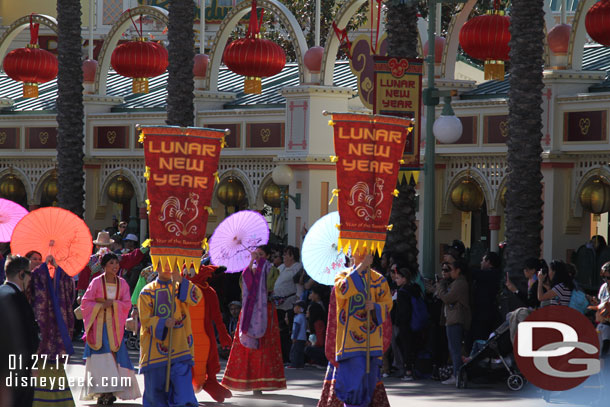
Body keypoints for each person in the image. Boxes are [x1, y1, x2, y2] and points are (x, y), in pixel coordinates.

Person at [222, 245, 286, 394]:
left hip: (266, 311)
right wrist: (250, 268)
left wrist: (259, 272)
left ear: (268, 256)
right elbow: (243, 288)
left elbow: (270, 287)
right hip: (249, 312)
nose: (257, 257)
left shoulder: (272, 270)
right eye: (255, 254)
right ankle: (247, 380)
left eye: (261, 254)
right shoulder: (248, 270)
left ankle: (261, 382)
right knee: (247, 347)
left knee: (264, 347)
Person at [137, 262, 202, 407]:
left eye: (172, 264)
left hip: (180, 344)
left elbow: (196, 297)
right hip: (155, 348)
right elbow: (145, 319)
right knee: (155, 390)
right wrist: (163, 323)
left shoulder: (180, 288)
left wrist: (181, 280)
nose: (168, 267)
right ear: (156, 267)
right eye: (164, 264)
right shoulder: (147, 291)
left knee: (183, 386)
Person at [333, 250, 393, 407]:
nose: (363, 254)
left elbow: (388, 305)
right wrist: (360, 268)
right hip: (349, 342)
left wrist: (375, 307)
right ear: (351, 254)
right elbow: (343, 290)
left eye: (367, 252)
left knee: (369, 380)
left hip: (372, 340)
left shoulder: (378, 279)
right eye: (358, 251)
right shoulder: (342, 276)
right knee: (353, 381)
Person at [80, 253, 141, 404]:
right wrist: (101, 305)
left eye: (116, 263)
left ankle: (110, 391)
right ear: (104, 266)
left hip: (115, 327)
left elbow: (126, 303)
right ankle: (103, 392)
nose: (115, 266)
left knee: (114, 357)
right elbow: (85, 302)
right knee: (102, 358)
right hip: (98, 327)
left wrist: (113, 304)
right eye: (111, 263)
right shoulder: (96, 282)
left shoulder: (123, 284)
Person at [27, 256, 76, 407]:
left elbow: (69, 291)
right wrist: (41, 269)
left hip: (55, 331)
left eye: (38, 258)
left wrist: (57, 269)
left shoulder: (53, 276)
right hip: (38, 329)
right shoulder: (31, 277)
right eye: (33, 258)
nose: (37, 261)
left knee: (56, 369)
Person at [0, 255, 40, 407]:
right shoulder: (17, 298)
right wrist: (32, 365)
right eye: (30, 273)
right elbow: (27, 336)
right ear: (22, 274)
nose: (31, 278)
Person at [77, 231, 146, 301]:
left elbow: (130, 258)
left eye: (106, 245)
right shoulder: (90, 260)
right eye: (101, 245)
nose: (104, 248)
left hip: (113, 292)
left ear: (110, 246)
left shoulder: (116, 258)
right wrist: (80, 294)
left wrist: (143, 249)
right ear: (97, 246)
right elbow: (84, 278)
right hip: (94, 293)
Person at [435, 258, 471, 385]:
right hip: (452, 318)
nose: (449, 273)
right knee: (454, 349)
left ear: (458, 270)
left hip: (456, 319)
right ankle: (457, 374)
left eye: (451, 270)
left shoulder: (460, 283)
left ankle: (457, 375)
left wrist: (440, 287)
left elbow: (447, 298)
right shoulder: (456, 282)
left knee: (455, 349)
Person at [271, 245, 302, 363]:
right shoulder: (281, 267)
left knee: (286, 331)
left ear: (292, 256)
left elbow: (298, 286)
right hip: (277, 303)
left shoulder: (297, 268)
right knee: (278, 331)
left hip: (289, 304)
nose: (283, 257)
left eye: (286, 255)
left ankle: (288, 356)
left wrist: (298, 303)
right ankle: (280, 356)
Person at [393, 267, 425, 381]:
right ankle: (412, 368)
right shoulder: (414, 289)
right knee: (411, 345)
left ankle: (408, 371)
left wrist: (398, 321)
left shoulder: (402, 292)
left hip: (405, 324)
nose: (396, 280)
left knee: (404, 345)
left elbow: (403, 311)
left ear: (404, 279)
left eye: (398, 278)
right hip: (415, 322)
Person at [471, 251, 502, 342]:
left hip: (486, 313)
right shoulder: (489, 274)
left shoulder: (492, 274)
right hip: (482, 311)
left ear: (489, 262)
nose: (481, 262)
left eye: (483, 260)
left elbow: (474, 272)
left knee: (481, 337)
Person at [304, 301, 327, 367]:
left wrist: (312, 344)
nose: (307, 311)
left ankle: (322, 363)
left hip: (322, 348)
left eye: (309, 310)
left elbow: (320, 341)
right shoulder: (313, 323)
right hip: (319, 346)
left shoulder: (318, 323)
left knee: (308, 349)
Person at [289, 300, 307, 368]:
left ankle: (294, 364)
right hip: (302, 338)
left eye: (295, 307)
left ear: (300, 308)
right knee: (300, 352)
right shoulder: (303, 316)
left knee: (294, 352)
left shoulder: (298, 317)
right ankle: (300, 364)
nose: (294, 308)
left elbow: (297, 328)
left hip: (298, 338)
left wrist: (294, 337)